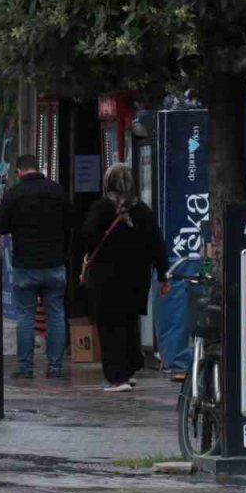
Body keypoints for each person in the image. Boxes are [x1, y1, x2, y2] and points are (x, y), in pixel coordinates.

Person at [79, 163, 169, 392]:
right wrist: (163, 275)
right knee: (129, 324)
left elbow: (87, 237)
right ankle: (128, 371)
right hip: (136, 281)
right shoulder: (143, 210)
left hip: (107, 280)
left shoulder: (101, 208)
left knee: (109, 327)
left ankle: (116, 377)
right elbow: (157, 244)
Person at [0, 154, 72, 378]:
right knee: (56, 314)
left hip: (25, 265)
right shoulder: (57, 191)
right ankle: (55, 367)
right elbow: (71, 221)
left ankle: (26, 367)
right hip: (55, 263)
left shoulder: (14, 194)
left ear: (19, 172)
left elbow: (1, 226)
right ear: (38, 169)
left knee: (25, 316)